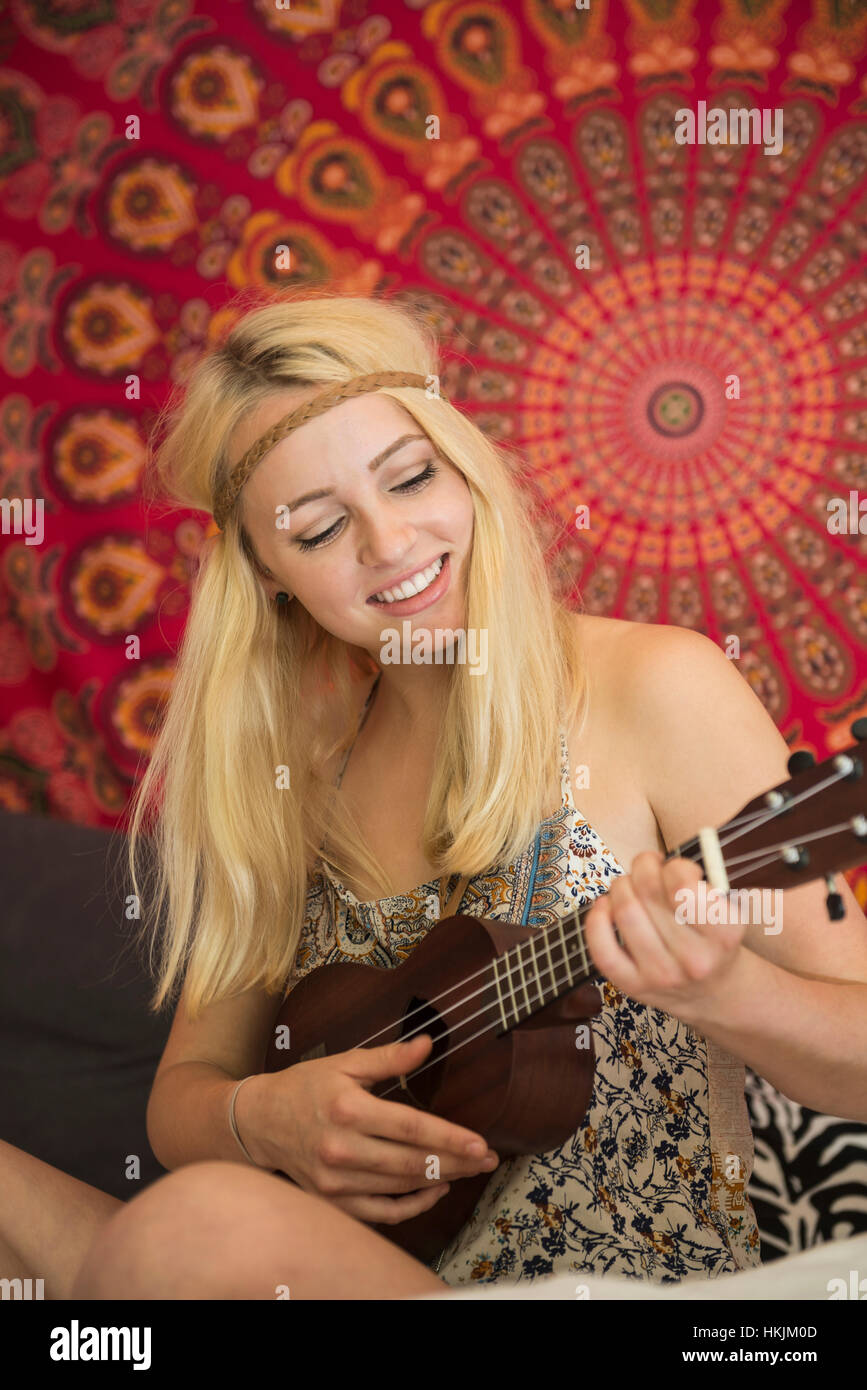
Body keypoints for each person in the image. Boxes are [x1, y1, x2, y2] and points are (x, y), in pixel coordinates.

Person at [4, 291, 867, 1302]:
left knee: (194, 1230)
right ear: (270, 576)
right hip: (346, 1273)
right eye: (320, 530)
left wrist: (729, 994)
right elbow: (184, 1098)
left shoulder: (657, 686)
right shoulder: (298, 775)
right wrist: (263, 1118)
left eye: (411, 477)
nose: (390, 542)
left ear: (465, 465)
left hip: (616, 1293)